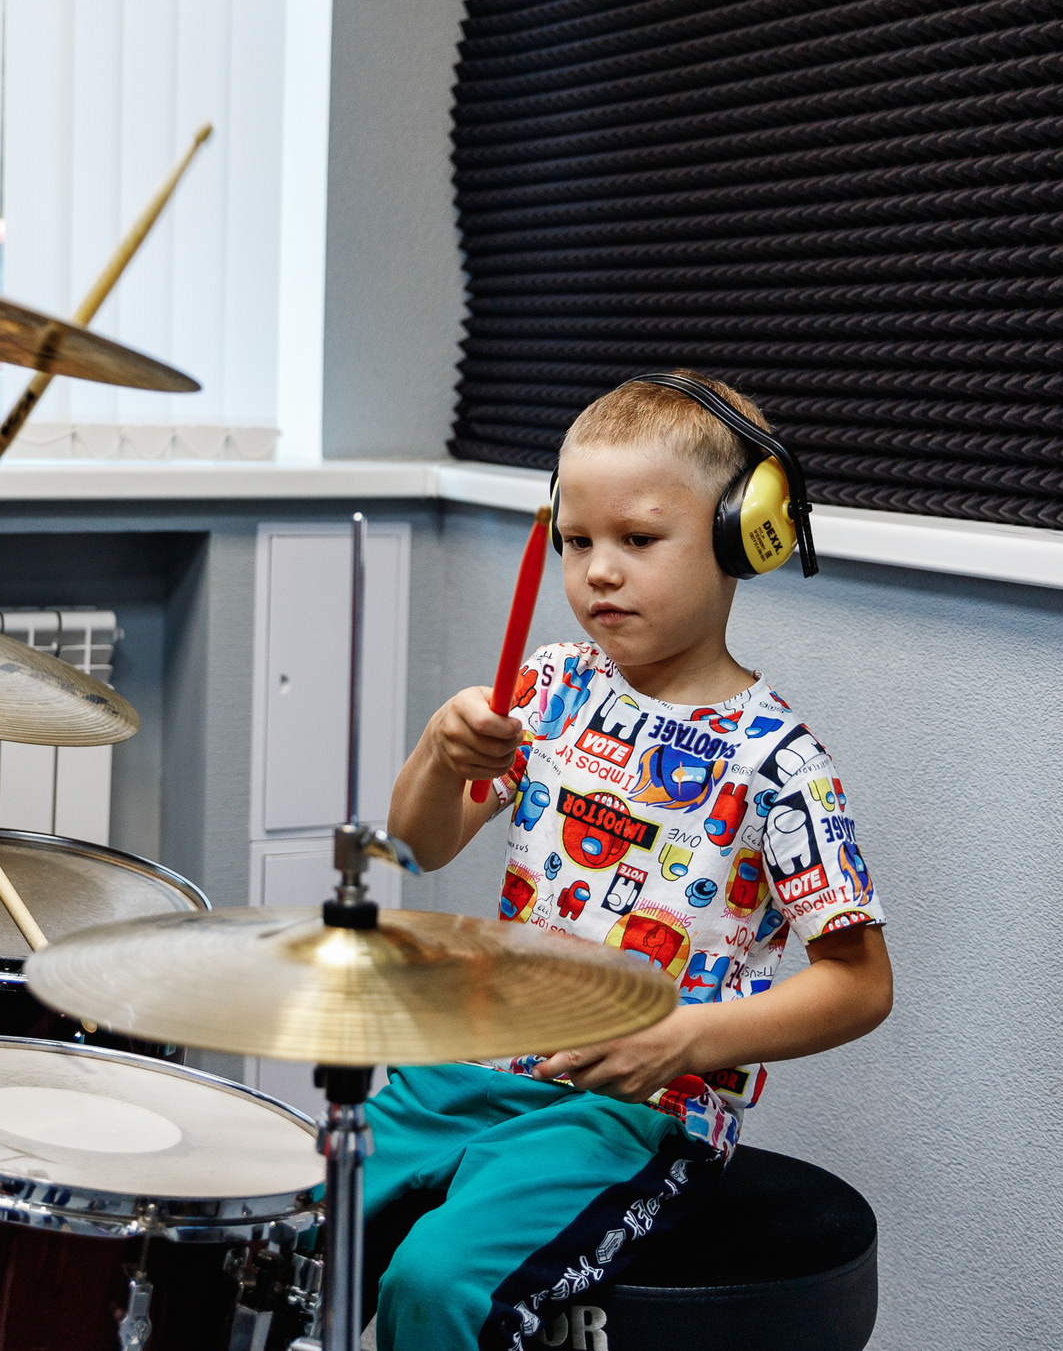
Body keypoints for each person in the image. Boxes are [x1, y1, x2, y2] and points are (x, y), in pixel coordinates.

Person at [374, 372, 896, 1351]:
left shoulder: (777, 763)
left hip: (624, 1113)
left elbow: (861, 987)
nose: (597, 572)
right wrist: (438, 757)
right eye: (576, 542)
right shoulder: (550, 686)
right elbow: (420, 839)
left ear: (746, 535)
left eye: (638, 540)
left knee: (437, 1283)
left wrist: (687, 1040)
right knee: (288, 1216)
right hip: (469, 1063)